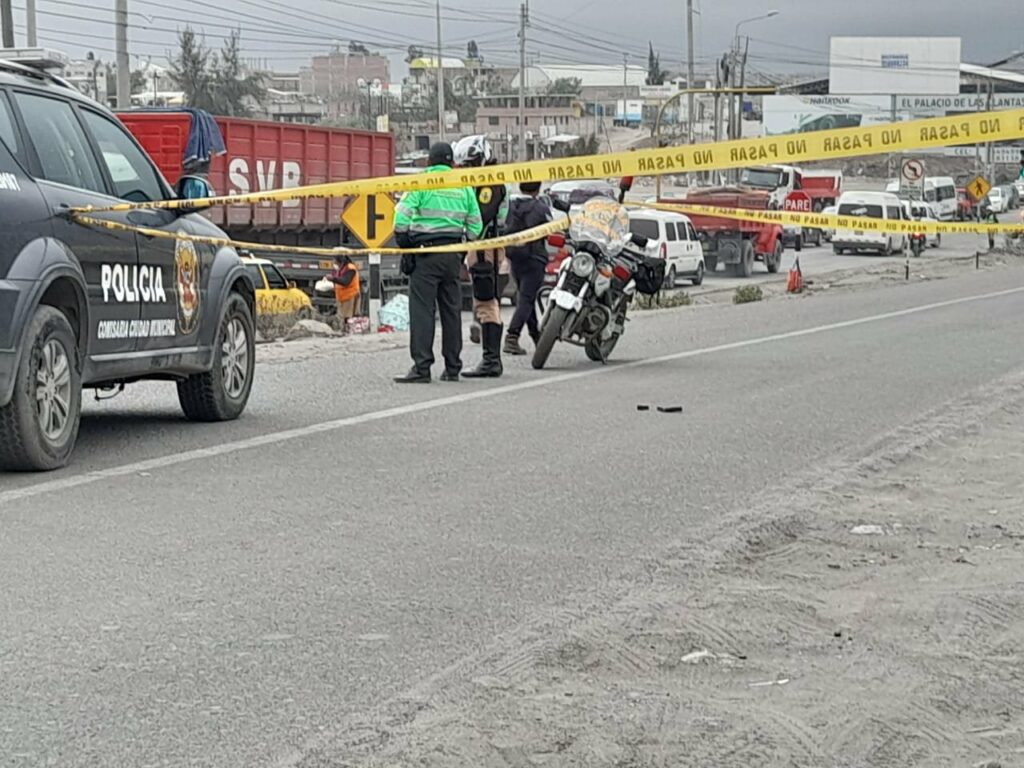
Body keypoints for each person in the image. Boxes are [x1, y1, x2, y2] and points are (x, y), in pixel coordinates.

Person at [393, 142, 483, 383]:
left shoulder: (421, 182)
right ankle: (453, 367)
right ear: (451, 162)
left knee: (423, 311)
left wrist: (404, 243)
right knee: (451, 312)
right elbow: (476, 224)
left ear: (429, 161)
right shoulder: (462, 184)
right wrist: (463, 250)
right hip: (453, 255)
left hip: (425, 255)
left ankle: (422, 367)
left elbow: (401, 216)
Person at [454, 135, 511, 379]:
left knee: (487, 301)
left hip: (485, 248)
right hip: (481, 246)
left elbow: (482, 214)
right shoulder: (482, 180)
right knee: (484, 302)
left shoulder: (489, 182)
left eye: (470, 164)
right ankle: (490, 358)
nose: (467, 170)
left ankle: (491, 360)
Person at [503, 181, 552, 355]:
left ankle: (536, 336)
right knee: (526, 299)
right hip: (534, 258)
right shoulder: (540, 207)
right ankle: (512, 336)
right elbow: (550, 230)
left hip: (515, 258)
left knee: (525, 297)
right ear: (538, 188)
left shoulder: (511, 205)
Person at [328, 253, 361, 331]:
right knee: (342, 316)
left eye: (334, 260)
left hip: (350, 296)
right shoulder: (340, 269)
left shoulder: (350, 268)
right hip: (342, 297)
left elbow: (346, 281)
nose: (333, 262)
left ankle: (348, 331)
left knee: (348, 317)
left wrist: (333, 279)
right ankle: (344, 330)